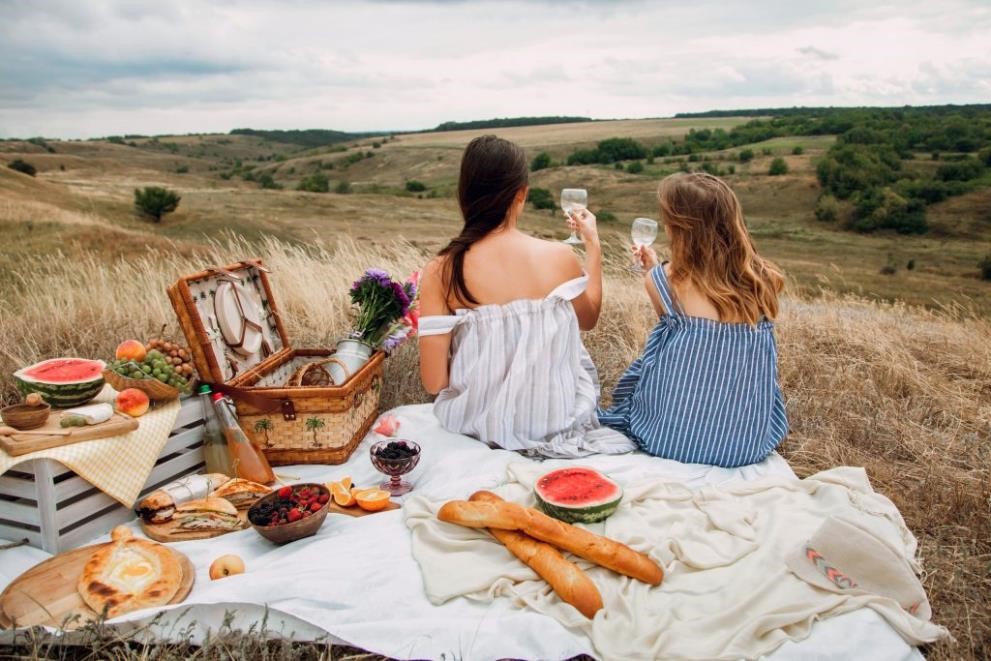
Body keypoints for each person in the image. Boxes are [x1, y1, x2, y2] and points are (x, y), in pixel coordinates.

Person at [418, 135, 635, 458]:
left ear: (463, 194)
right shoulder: (559, 256)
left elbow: (435, 383)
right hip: (555, 425)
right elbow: (588, 320)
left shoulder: (441, 270)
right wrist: (594, 245)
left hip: (476, 430)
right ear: (521, 194)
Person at [598, 172, 788, 467]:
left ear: (679, 227)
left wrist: (653, 270)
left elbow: (672, 336)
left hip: (668, 438)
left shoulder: (661, 281)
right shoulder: (768, 281)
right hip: (744, 445)